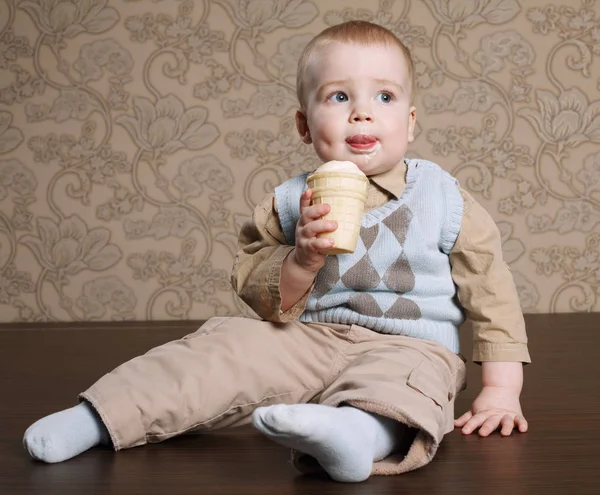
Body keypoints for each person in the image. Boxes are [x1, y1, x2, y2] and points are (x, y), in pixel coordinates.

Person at [23, 20, 530, 483]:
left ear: (411, 121)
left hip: (409, 344)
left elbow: (491, 288)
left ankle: (354, 434)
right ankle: (100, 416)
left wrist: (501, 389)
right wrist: (302, 259)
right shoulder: (289, 202)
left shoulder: (445, 197)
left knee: (407, 386)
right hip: (307, 338)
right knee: (220, 350)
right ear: (305, 126)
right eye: (337, 96)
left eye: (384, 95)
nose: (362, 110)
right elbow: (256, 289)